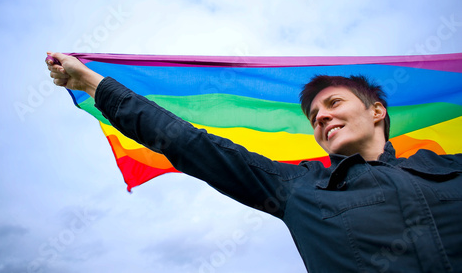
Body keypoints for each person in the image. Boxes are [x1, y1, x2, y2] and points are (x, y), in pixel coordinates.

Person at [46, 52, 462, 273]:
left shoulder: (450, 169)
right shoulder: (300, 188)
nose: (322, 117)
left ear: (376, 111)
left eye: (334, 103)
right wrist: (95, 85)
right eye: (314, 116)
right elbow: (191, 144)